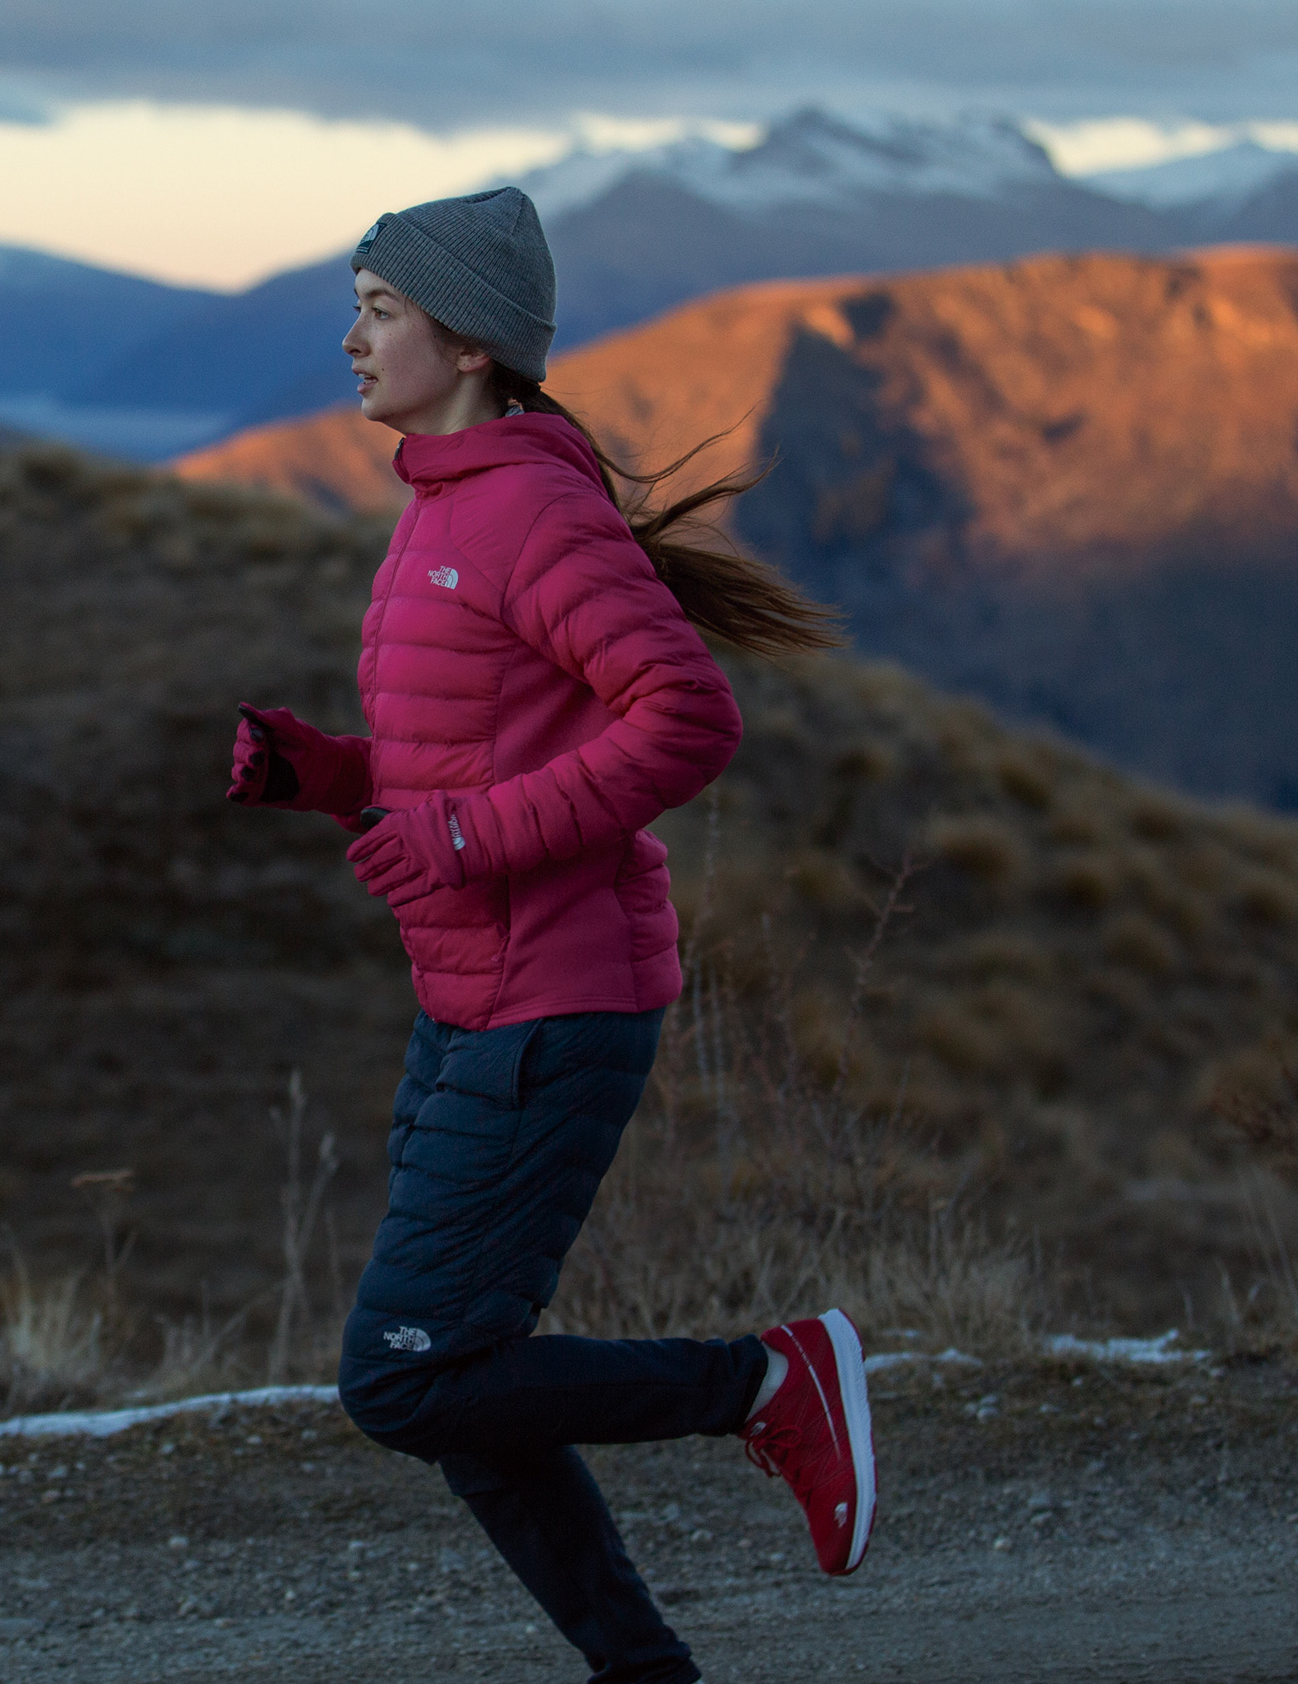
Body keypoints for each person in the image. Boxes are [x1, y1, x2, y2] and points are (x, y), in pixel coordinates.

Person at [225, 185, 875, 1684]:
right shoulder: (447, 506)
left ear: (467, 340)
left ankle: (767, 1381)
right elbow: (479, 748)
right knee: (463, 1383)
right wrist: (335, 774)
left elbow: (687, 717)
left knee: (403, 1380)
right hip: (472, 1000)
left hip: (554, 1003)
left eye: (380, 309)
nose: (351, 339)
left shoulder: (527, 510)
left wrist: (461, 839)